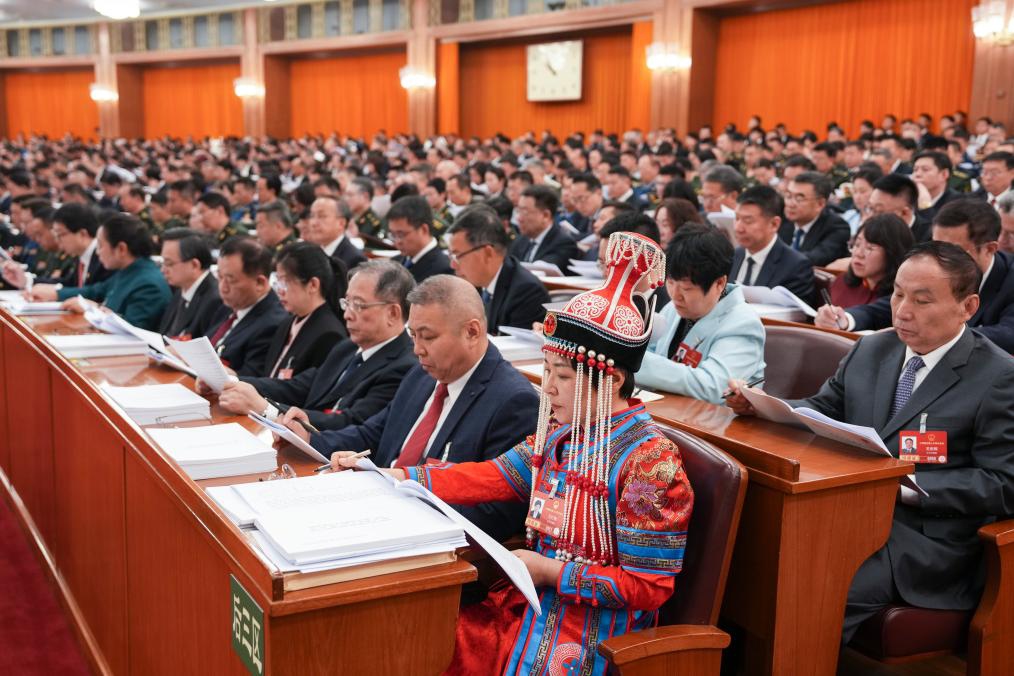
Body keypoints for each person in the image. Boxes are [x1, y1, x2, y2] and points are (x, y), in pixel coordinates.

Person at [328, 231, 693, 675]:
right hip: (534, 598)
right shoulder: (562, 433)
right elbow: (494, 475)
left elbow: (648, 586)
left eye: (563, 377)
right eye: (548, 373)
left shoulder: (650, 463)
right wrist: (398, 478)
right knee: (426, 636)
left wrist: (551, 573)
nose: (550, 389)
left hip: (596, 629)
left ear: (611, 380)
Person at [728, 241, 1014, 646]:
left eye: (922, 300)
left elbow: (1003, 482)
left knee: (811, 588)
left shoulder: (998, 376)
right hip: (846, 511)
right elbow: (821, 409)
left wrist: (908, 490)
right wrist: (761, 406)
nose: (903, 310)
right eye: (897, 293)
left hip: (924, 540)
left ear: (968, 307)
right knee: (753, 559)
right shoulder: (873, 347)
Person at [282, 274, 539, 540]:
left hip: (423, 537)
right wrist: (310, 439)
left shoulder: (513, 401)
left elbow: (495, 515)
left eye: (427, 337)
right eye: (412, 335)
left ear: (471, 332)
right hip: (374, 510)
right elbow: (372, 435)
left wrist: (392, 511)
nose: (417, 349)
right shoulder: (422, 375)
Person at [220, 260, 417, 429]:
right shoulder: (347, 348)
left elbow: (351, 422)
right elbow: (301, 386)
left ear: (393, 313)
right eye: (346, 303)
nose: (347, 314)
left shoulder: (403, 367)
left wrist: (265, 409)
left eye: (358, 305)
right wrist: (233, 381)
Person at [819, 199, 1014, 352]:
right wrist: (846, 319)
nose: (943, 258)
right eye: (937, 245)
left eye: (955, 250)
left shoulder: (1009, 279)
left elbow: (1008, 335)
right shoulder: (931, 266)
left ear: (989, 249)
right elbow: (891, 304)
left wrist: (935, 334)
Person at [637, 224, 765, 404]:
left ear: (720, 283)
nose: (675, 295)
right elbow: (650, 350)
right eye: (671, 282)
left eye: (687, 288)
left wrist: (633, 359)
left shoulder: (743, 324)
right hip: (669, 410)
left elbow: (714, 387)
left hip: (713, 425)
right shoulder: (675, 307)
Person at [30, 214, 170, 330]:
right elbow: (96, 291)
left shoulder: (148, 285)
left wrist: (95, 309)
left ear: (121, 249)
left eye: (101, 246)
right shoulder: (129, 270)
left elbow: (133, 332)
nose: (98, 252)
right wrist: (56, 293)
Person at [448, 204, 550, 336]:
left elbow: (512, 353)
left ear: (487, 253)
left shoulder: (526, 292)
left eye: (458, 256)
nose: (453, 265)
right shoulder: (474, 285)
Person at [261, 242, 347, 379]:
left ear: (313, 285)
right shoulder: (287, 323)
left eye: (285, 282)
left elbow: (301, 390)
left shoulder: (329, 335)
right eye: (277, 282)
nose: (279, 291)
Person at [206, 236, 289, 376]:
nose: (222, 287)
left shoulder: (272, 324)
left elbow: (249, 380)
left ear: (260, 283)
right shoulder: (228, 306)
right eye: (219, 277)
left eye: (230, 280)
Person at [729, 185, 816, 306]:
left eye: (748, 221)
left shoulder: (796, 266)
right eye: (737, 218)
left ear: (774, 224)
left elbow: (795, 317)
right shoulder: (733, 255)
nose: (738, 228)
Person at [828, 214, 914, 309]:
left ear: (892, 252)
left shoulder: (899, 297)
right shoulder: (841, 283)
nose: (859, 254)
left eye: (870, 248)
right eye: (857, 244)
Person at [157, 227, 223, 339]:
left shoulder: (215, 300)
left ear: (194, 265)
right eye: (163, 263)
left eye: (169, 263)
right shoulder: (181, 289)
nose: (163, 270)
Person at [777, 171, 851, 266]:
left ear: (820, 204)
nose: (791, 204)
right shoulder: (780, 220)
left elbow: (814, 259)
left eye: (799, 199)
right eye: (788, 196)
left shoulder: (837, 227)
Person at [509, 185, 579, 274]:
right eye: (518, 211)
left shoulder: (564, 243)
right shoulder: (520, 241)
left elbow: (544, 269)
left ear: (545, 215)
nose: (519, 218)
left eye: (525, 212)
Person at [388, 195, 453, 282]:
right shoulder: (395, 262)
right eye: (393, 235)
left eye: (401, 234)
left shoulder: (444, 270)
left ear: (423, 229)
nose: (397, 241)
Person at [303, 195, 367, 272]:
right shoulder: (311, 252)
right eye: (312, 216)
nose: (313, 223)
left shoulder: (354, 259)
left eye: (322, 216)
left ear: (341, 223)